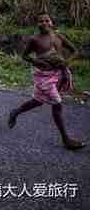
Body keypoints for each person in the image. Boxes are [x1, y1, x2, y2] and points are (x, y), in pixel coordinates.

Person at [8, 13, 85, 150]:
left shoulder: (59, 37)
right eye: (40, 21)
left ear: (51, 22)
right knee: (57, 103)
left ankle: (16, 112)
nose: (43, 23)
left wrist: (65, 64)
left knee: (38, 101)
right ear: (37, 24)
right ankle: (66, 140)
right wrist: (36, 61)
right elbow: (25, 55)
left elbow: (74, 51)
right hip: (43, 75)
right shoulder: (34, 40)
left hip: (58, 73)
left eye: (46, 20)